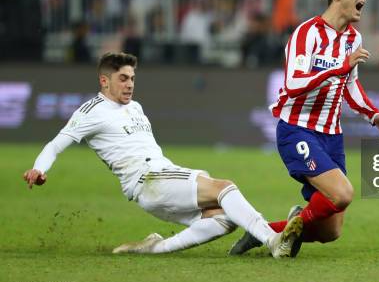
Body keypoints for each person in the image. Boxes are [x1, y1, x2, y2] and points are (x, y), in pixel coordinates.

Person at [23, 52, 302, 258]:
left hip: (160, 179)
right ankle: (273, 241)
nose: (130, 84)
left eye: (132, 78)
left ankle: (154, 248)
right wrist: (38, 168)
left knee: (226, 218)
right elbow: (56, 143)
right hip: (148, 179)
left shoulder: (135, 106)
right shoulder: (91, 111)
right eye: (123, 78)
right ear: (104, 81)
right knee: (224, 187)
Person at [229, 0, 379, 256]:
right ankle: (279, 238)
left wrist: (373, 115)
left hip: (332, 136)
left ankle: (264, 231)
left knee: (330, 231)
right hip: (298, 129)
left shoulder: (352, 39)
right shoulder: (307, 33)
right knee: (343, 194)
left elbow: (350, 85)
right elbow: (294, 83)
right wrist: (339, 67)